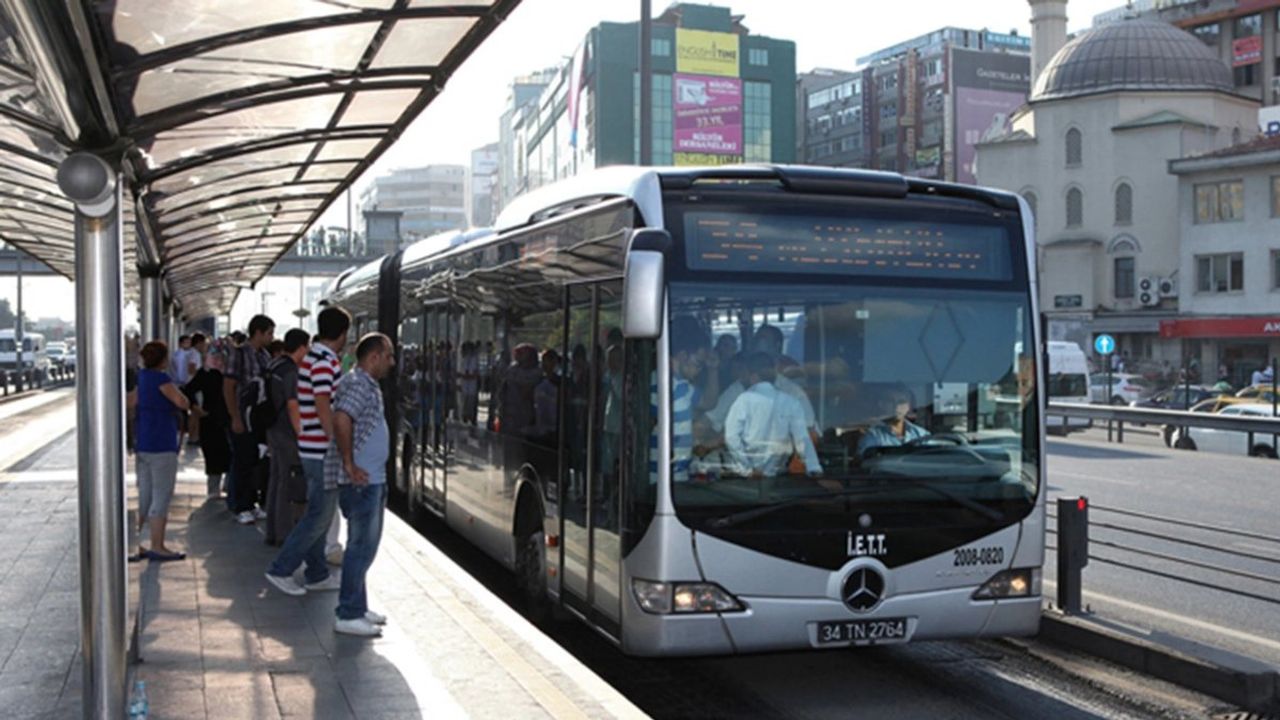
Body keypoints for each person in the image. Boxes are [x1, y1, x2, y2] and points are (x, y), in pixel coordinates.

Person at [264, 307, 351, 596]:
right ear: (342, 334)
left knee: (318, 513)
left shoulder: (312, 357)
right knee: (319, 516)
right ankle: (282, 568)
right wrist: (335, 437)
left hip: (310, 447)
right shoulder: (326, 361)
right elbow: (322, 401)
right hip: (322, 449)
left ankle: (316, 573)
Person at [327, 333, 396, 637]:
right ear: (374, 357)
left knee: (364, 546)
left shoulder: (365, 383)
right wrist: (349, 464)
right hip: (362, 481)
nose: (392, 362)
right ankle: (348, 612)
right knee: (360, 547)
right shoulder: (357, 384)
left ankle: (358, 604)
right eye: (389, 355)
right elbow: (342, 419)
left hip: (371, 478)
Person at [129, 340, 190, 562]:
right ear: (163, 360)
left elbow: (131, 402)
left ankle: (140, 544)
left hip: (143, 443)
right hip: (162, 444)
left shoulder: (142, 378)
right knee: (161, 495)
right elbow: (182, 402)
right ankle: (158, 545)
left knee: (144, 494)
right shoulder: (162, 379)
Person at [723, 352, 822, 478]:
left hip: (746, 480)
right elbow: (802, 440)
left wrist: (747, 469)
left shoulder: (743, 400)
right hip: (778, 480)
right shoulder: (791, 402)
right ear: (774, 374)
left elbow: (731, 437)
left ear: (752, 376)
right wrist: (814, 468)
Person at [224, 314, 275, 525]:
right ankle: (240, 505)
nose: (272, 337)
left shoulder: (265, 356)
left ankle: (251, 502)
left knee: (255, 460)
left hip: (258, 418)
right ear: (258, 333)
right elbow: (228, 386)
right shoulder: (239, 354)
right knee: (242, 461)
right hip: (242, 416)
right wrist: (234, 416)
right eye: (269, 333)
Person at [264, 329, 309, 545]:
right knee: (287, 483)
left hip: (271, 428)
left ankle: (271, 530)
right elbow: (293, 405)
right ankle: (283, 534)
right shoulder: (291, 371)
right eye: (307, 347)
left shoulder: (274, 365)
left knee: (275, 480)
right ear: (301, 347)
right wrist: (301, 433)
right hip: (285, 431)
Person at [184, 347, 231, 497]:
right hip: (210, 420)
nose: (218, 361)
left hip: (228, 418)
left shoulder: (230, 374)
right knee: (213, 454)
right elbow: (188, 390)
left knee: (231, 454)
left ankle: (229, 486)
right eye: (214, 358)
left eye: (220, 358)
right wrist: (195, 407)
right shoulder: (205, 374)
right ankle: (214, 489)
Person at [857, 384, 930, 457]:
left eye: (901, 402)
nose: (896, 406)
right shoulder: (873, 436)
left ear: (909, 406)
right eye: (890, 401)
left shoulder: (921, 435)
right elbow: (866, 463)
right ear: (882, 404)